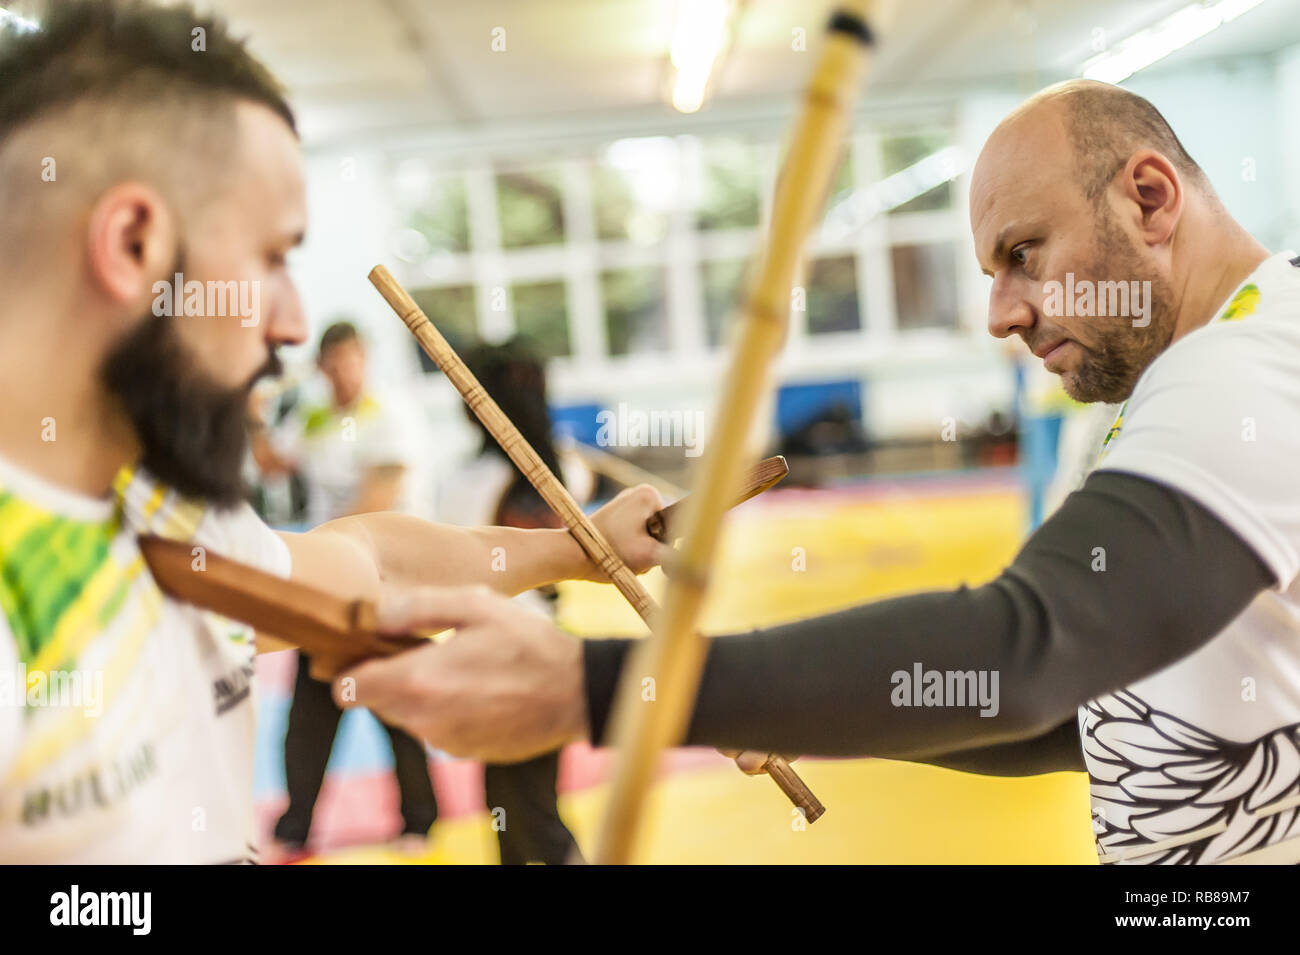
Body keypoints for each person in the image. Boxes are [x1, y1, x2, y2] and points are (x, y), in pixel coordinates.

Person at [341, 80, 1300, 865]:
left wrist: (604, 684)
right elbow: (1095, 712)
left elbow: (1025, 653)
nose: (1002, 314)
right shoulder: (1181, 382)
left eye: (1023, 254)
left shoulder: (1248, 370)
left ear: (1151, 197)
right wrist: (785, 697)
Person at [0, 0, 666, 863]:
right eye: (270, 258)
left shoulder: (167, 513)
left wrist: (582, 549)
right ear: (132, 243)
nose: (291, 323)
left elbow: (374, 559)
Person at [251, 321, 437, 859]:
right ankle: (295, 826)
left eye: (349, 360)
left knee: (392, 699)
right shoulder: (314, 414)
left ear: (364, 358)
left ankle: (419, 820)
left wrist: (307, 552)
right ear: (321, 365)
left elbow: (377, 503)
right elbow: (269, 462)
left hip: (383, 581)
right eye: (330, 363)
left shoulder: (390, 415)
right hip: (326, 582)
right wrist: (251, 415)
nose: (340, 372)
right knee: (310, 704)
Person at [436, 338, 589, 865]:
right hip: (535, 653)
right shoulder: (565, 472)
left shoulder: (468, 484)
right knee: (520, 805)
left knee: (522, 810)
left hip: (505, 658)